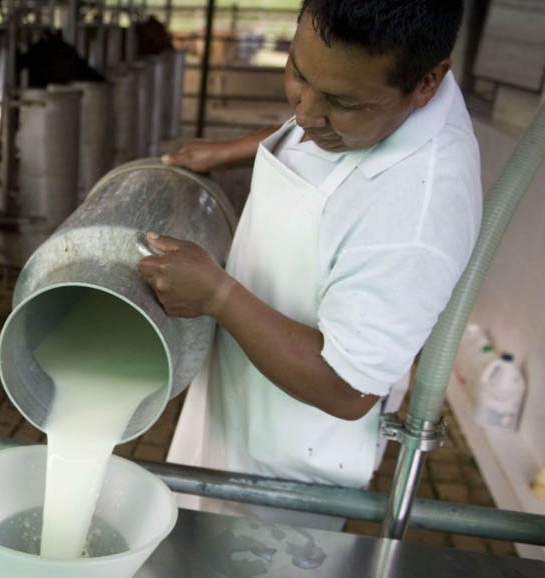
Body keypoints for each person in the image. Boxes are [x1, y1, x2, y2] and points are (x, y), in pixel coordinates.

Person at [137, 0, 480, 530]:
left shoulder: (417, 214)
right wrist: (234, 150)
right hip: (235, 409)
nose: (303, 115)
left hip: (279, 481)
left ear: (426, 84)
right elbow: (319, 121)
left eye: (341, 103)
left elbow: (347, 388)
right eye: (297, 72)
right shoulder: (366, 96)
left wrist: (218, 296)